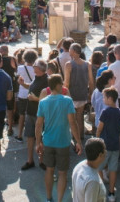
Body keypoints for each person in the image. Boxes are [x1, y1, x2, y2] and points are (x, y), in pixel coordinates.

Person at [37, 73, 83, 202]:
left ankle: (48, 197)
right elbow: (73, 123)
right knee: (62, 173)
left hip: (48, 141)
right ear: (58, 85)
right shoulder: (67, 101)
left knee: (49, 170)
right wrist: (78, 141)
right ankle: (59, 200)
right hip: (63, 142)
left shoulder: (43, 102)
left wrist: (38, 142)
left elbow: (38, 124)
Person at [95, 88, 120, 201]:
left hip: (104, 145)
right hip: (115, 145)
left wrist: (96, 139)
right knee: (113, 169)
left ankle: (101, 190)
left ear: (110, 98)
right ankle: (112, 192)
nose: (103, 99)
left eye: (104, 97)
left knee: (100, 167)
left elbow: (99, 128)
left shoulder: (105, 112)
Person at [21, 58, 50, 171]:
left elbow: (49, 99)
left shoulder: (47, 80)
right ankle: (30, 160)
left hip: (40, 114)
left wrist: (35, 98)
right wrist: (23, 84)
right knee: (29, 136)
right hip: (31, 112)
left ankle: (41, 160)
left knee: (41, 138)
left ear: (40, 68)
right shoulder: (36, 77)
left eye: (35, 66)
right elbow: (31, 86)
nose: (33, 67)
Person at [64, 43, 93, 142]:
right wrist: (90, 94)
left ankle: (74, 137)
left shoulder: (68, 65)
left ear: (73, 51)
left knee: (72, 119)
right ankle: (81, 137)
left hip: (71, 95)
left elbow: (66, 83)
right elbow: (91, 81)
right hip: (83, 95)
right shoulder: (87, 64)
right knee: (80, 117)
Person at [71, 137, 107, 202]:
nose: (106, 152)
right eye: (105, 150)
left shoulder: (79, 166)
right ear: (100, 155)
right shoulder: (93, 182)